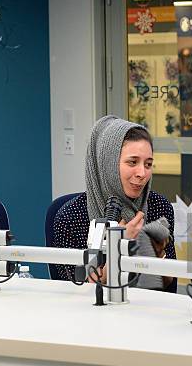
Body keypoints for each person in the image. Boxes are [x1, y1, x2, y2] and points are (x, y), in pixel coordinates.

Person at [52, 116, 177, 292]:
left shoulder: (159, 207)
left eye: (148, 164)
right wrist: (120, 245)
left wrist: (154, 252)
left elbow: (169, 287)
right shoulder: (70, 217)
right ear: (107, 164)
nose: (142, 173)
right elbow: (78, 294)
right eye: (132, 162)